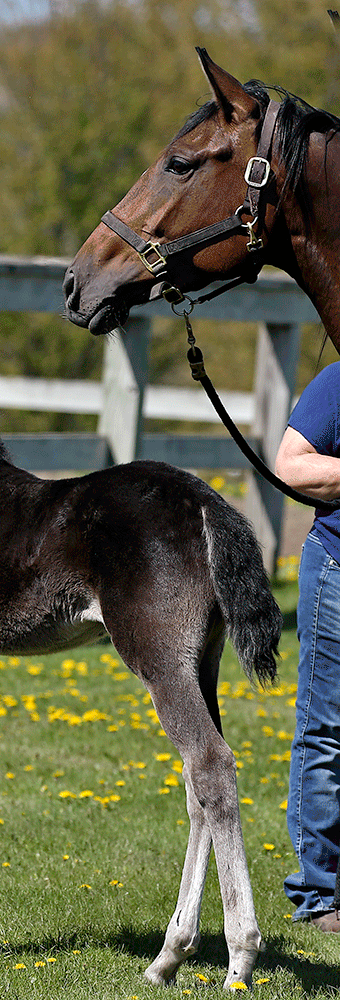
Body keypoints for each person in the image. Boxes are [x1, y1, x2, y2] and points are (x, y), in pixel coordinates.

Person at [275, 361, 340, 932]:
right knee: (326, 733)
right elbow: (291, 467)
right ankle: (320, 893)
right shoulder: (338, 383)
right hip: (337, 574)